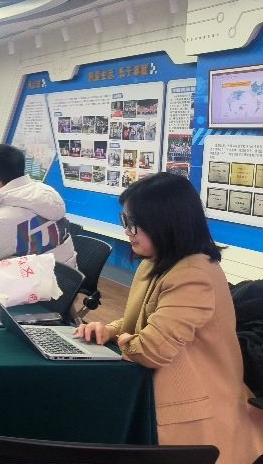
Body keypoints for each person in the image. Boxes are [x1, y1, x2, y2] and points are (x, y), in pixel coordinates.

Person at [76, 173, 263, 463]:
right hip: (159, 390)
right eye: (125, 220)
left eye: (134, 223)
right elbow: (141, 322)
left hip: (195, 412)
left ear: (166, 223)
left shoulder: (193, 275)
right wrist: (109, 330)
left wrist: (121, 338)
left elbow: (151, 349)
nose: (128, 231)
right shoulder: (156, 262)